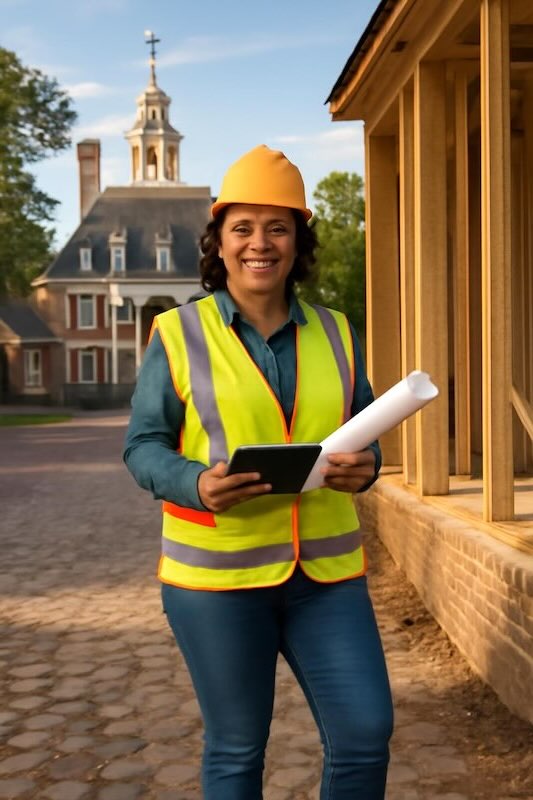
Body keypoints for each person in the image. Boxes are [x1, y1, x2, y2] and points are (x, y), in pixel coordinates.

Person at [123, 144, 393, 800]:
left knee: (365, 732)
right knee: (238, 749)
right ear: (218, 243)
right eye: (242, 228)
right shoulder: (177, 333)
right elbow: (143, 447)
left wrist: (368, 467)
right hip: (216, 582)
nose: (259, 243)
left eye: (277, 227)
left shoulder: (336, 332)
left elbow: (366, 431)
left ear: (298, 239)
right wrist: (196, 484)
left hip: (326, 580)